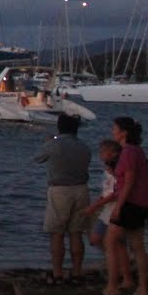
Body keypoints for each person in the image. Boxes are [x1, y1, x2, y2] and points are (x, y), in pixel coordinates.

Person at [34, 111, 92, 285]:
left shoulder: (55, 144)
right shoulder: (84, 146)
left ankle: (58, 273)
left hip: (59, 190)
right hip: (82, 189)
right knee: (76, 233)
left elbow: (38, 159)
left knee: (57, 233)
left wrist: (48, 142)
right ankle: (77, 272)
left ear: (59, 127)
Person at [101, 116, 148, 295]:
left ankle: (112, 287)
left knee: (110, 241)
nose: (112, 131)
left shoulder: (129, 152)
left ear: (123, 132)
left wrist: (119, 207)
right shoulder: (137, 151)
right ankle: (142, 289)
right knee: (138, 246)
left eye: (115, 128)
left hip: (130, 203)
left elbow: (129, 182)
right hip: (141, 203)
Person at [85, 137, 122, 253]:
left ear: (113, 153)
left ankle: (115, 261)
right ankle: (112, 258)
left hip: (113, 209)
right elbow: (107, 191)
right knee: (95, 239)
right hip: (107, 208)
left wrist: (95, 206)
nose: (100, 154)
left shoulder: (115, 170)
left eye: (103, 151)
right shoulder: (108, 169)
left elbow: (114, 193)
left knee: (102, 239)